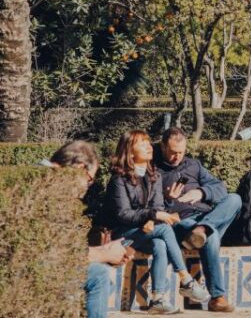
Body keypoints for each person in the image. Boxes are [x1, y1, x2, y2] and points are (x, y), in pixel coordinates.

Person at [104, 130, 210, 314]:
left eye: (148, 142)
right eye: (142, 143)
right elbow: (123, 215)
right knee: (165, 230)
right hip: (123, 235)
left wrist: (152, 218)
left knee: (160, 244)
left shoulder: (155, 176)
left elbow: (159, 207)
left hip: (148, 232)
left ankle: (157, 299)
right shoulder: (118, 180)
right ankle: (186, 279)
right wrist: (152, 216)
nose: (148, 146)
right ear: (130, 152)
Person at [155, 127, 241, 313]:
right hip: (181, 222)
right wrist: (169, 200)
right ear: (163, 147)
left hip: (204, 217)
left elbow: (220, 188)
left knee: (235, 199)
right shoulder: (155, 171)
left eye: (181, 152)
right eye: (172, 152)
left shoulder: (194, 165)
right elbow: (152, 207)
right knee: (211, 238)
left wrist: (202, 192)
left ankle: (203, 229)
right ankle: (217, 298)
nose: (177, 157)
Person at [41, 141, 131, 318]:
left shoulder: (43, 178)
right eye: (89, 180)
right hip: (36, 271)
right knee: (99, 276)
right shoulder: (46, 186)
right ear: (81, 168)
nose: (86, 188)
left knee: (103, 281)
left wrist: (103, 250)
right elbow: (51, 254)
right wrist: (104, 255)